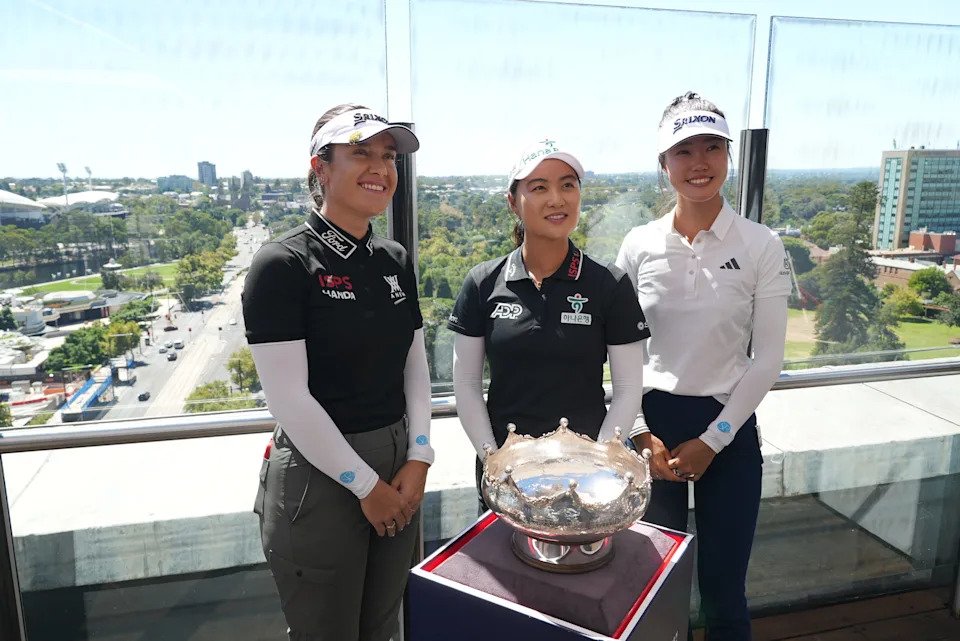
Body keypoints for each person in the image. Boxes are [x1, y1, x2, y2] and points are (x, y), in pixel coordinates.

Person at [243, 103, 433, 641]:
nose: (380, 167)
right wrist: (365, 485)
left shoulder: (393, 258)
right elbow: (289, 400)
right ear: (319, 167)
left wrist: (420, 454)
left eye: (388, 156)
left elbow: (414, 364)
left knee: (380, 626)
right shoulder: (283, 265)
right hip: (321, 475)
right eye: (361, 154)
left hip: (398, 466)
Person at [616, 92, 791, 641]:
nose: (699, 162)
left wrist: (713, 440)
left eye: (712, 147)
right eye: (684, 150)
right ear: (663, 164)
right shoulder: (638, 245)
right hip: (651, 430)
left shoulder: (761, 244)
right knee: (654, 586)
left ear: (729, 156)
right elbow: (618, 356)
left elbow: (769, 359)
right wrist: (642, 433)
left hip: (729, 427)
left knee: (723, 587)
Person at [449, 139, 650, 506]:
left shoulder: (610, 284)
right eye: (539, 187)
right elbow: (465, 385)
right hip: (503, 472)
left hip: (587, 477)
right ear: (513, 201)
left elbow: (626, 390)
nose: (556, 199)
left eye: (567, 185)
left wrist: (598, 465)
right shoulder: (482, 282)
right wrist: (493, 461)